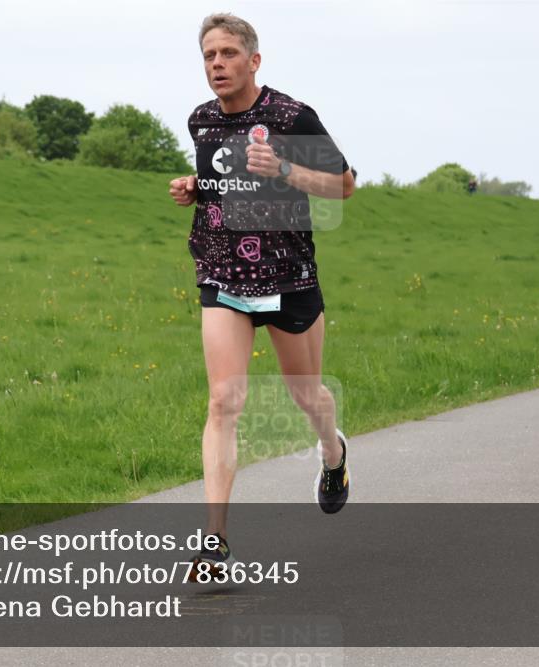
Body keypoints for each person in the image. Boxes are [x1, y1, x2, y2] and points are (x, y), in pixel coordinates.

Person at [168, 13, 356, 579]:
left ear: (253, 60)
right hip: (222, 272)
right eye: (208, 56)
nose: (217, 65)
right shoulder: (201, 120)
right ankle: (215, 542)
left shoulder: (291, 116)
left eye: (228, 53)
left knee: (307, 396)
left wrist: (286, 168)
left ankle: (333, 454)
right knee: (223, 402)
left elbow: (344, 185)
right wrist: (195, 186)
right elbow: (226, 180)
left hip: (288, 277)